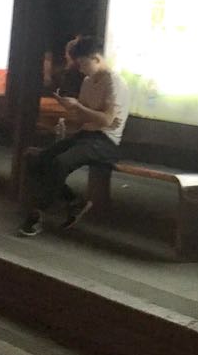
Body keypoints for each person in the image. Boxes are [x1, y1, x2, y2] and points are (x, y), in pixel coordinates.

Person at [19, 35, 130, 237]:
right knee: (38, 160)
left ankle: (37, 214)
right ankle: (74, 201)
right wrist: (71, 108)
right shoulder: (88, 81)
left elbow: (106, 120)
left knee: (60, 163)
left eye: (83, 63)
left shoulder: (115, 83)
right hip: (86, 135)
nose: (80, 69)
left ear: (96, 58)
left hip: (106, 141)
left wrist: (79, 107)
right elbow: (84, 117)